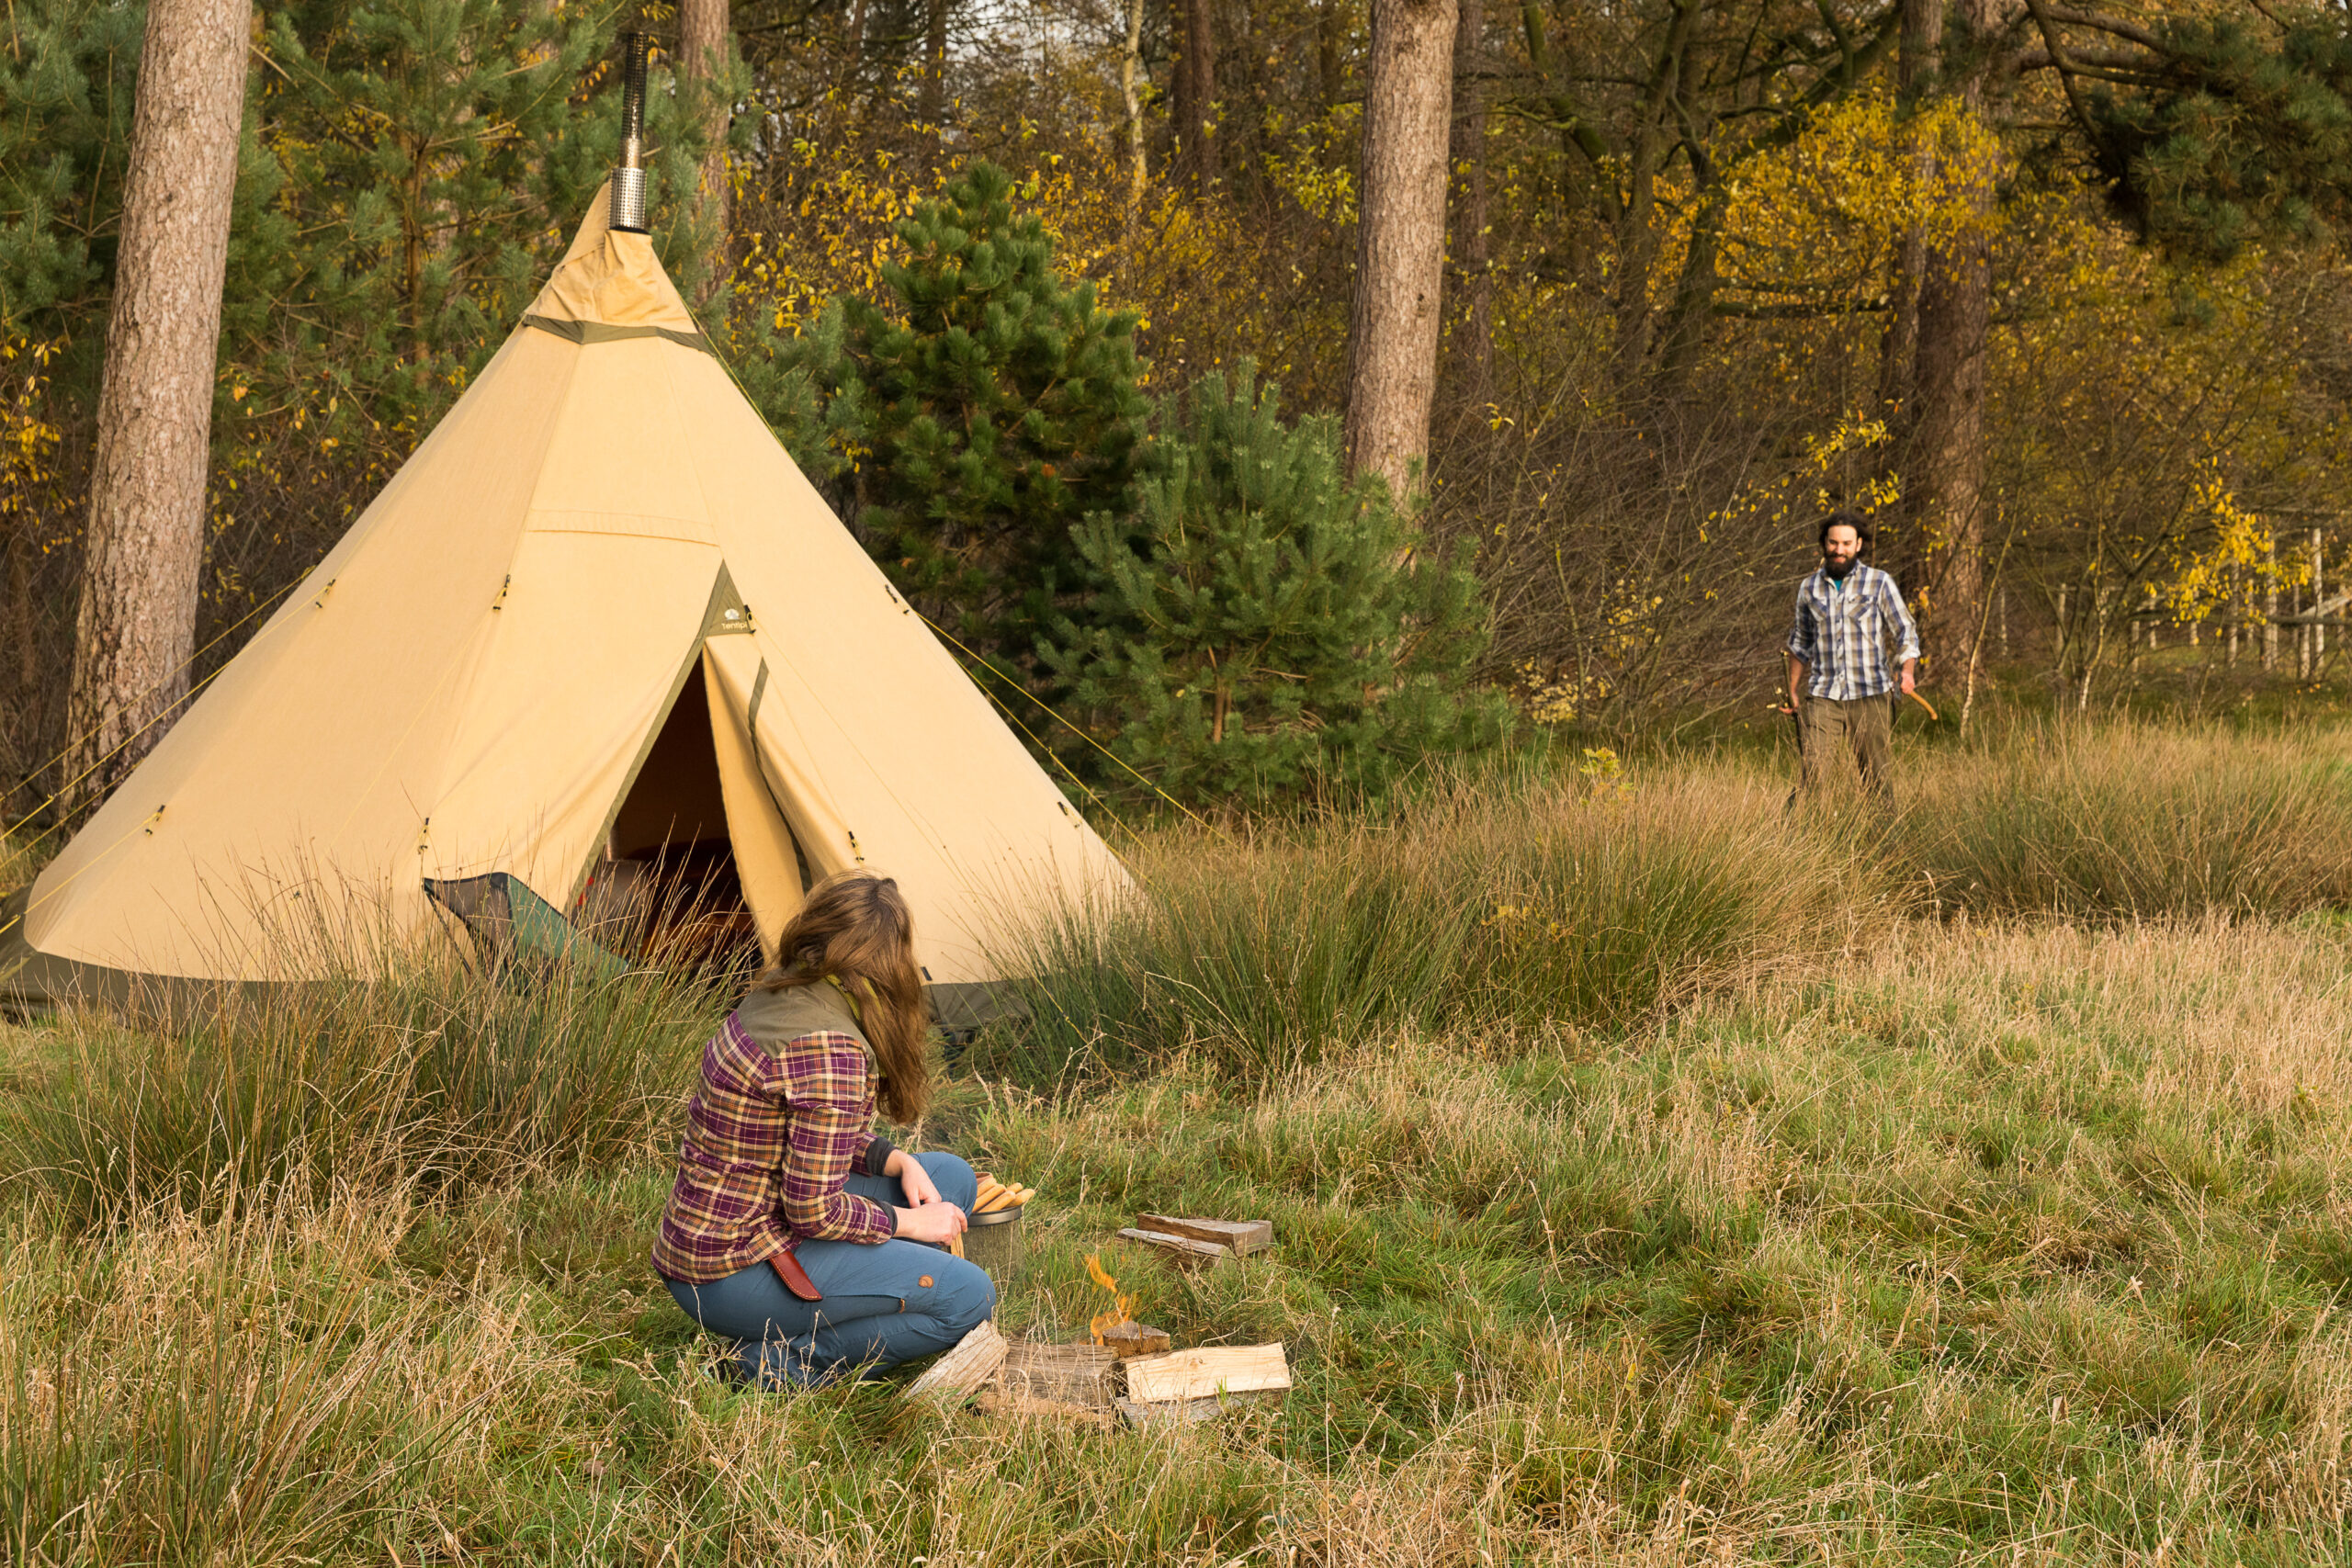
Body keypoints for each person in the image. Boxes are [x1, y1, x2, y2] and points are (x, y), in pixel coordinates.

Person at [651, 869, 995, 1388]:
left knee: (946, 1178)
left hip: (736, 1227)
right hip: (733, 1270)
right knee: (968, 1296)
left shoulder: (786, 989)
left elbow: (809, 1134)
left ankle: (863, 1297)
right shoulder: (829, 1047)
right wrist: (907, 1225)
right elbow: (813, 1211)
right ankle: (775, 1364)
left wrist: (896, 1161)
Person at [1784, 511, 1920, 801]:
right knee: (1813, 773)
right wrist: (1792, 690)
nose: (1839, 550)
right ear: (1824, 544)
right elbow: (1800, 643)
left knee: (1876, 777)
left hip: (1871, 696)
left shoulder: (1879, 582)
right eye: (1833, 543)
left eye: (1846, 543)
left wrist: (1906, 671)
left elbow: (1905, 631)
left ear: (1858, 545)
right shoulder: (1809, 587)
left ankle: (1884, 839)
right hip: (1823, 696)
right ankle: (1800, 839)